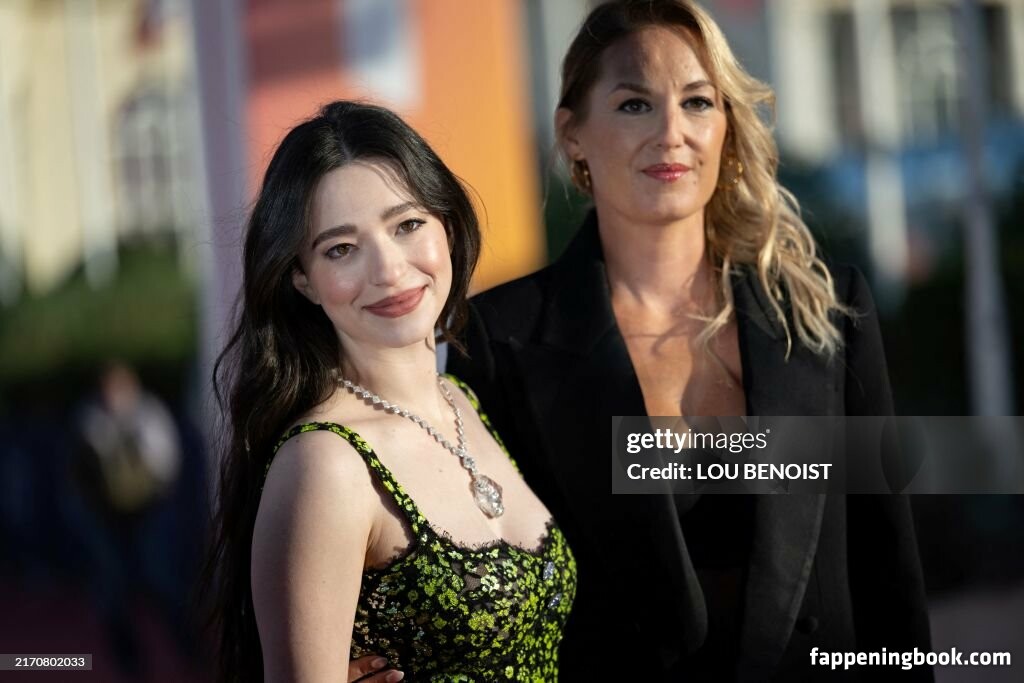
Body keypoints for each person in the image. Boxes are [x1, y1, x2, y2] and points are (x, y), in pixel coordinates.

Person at [447, 1, 933, 680]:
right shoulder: (497, 338)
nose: (671, 133)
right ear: (573, 135)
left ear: (726, 126)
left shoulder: (827, 314)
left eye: (697, 102)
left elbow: (888, 577)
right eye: (634, 105)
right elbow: (473, 569)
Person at [203, 101, 576, 683]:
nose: (388, 270)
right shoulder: (326, 463)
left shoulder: (466, 401)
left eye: (407, 225)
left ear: (446, 224)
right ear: (302, 278)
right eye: (341, 249)